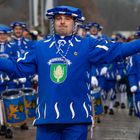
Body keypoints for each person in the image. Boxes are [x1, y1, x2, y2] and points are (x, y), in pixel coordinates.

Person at [0, 5, 140, 140]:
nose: (62, 21)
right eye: (58, 18)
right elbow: (16, 66)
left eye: (67, 18)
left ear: (75, 23)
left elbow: (119, 50)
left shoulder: (86, 45)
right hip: (47, 117)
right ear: (53, 22)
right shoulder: (40, 47)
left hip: (77, 118)